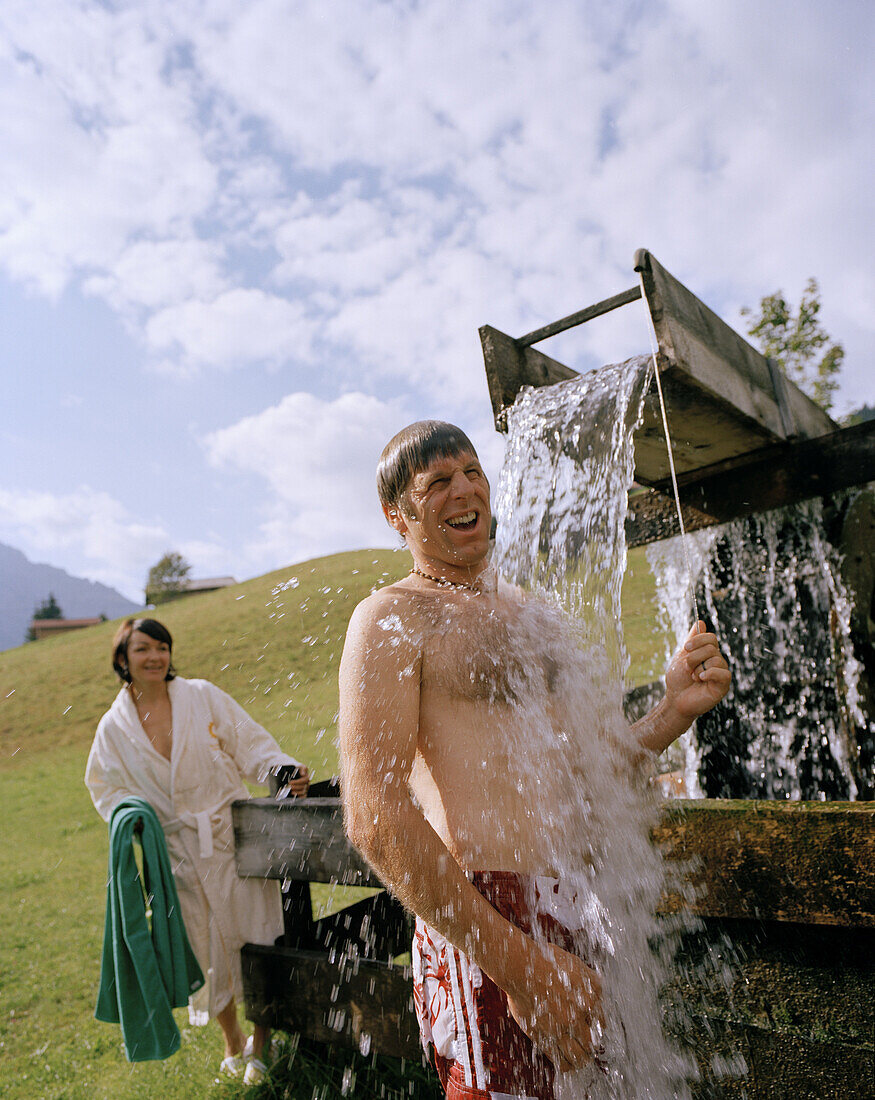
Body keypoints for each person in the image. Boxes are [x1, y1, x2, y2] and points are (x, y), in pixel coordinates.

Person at [338, 421, 731, 1099]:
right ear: (396, 515)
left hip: (581, 903)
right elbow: (375, 816)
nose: (464, 489)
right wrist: (519, 966)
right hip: (487, 914)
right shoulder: (392, 615)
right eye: (436, 482)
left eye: (471, 471)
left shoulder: (532, 614)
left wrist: (671, 711)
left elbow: (591, 772)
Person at [85, 617, 310, 1083]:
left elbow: (251, 743)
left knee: (258, 934)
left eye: (162, 647)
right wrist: (133, 819)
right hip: (176, 854)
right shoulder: (114, 729)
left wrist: (281, 770)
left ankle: (263, 1044)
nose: (155, 657)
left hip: (233, 839)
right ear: (122, 658)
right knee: (205, 948)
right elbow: (104, 789)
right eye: (143, 648)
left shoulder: (201, 696)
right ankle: (232, 1043)